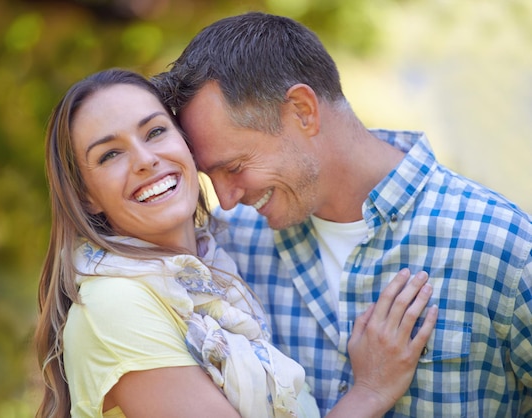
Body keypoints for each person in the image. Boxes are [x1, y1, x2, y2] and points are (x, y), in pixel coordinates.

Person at [154, 11, 532, 418]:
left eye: (234, 167)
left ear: (303, 110)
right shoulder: (229, 253)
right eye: (211, 177)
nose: (225, 201)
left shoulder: (502, 246)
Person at [33, 67, 438, 418]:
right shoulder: (115, 305)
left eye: (155, 131)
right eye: (109, 155)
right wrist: (370, 392)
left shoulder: (215, 273)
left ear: (187, 146)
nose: (144, 159)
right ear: (85, 195)